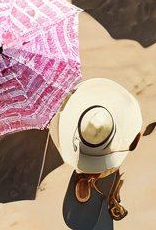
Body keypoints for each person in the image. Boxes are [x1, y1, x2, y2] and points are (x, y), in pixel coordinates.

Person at [55, 78, 142, 223]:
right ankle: (89, 175)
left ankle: (88, 173)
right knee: (109, 168)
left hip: (93, 140)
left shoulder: (95, 117)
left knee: (105, 168)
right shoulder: (95, 121)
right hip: (96, 142)